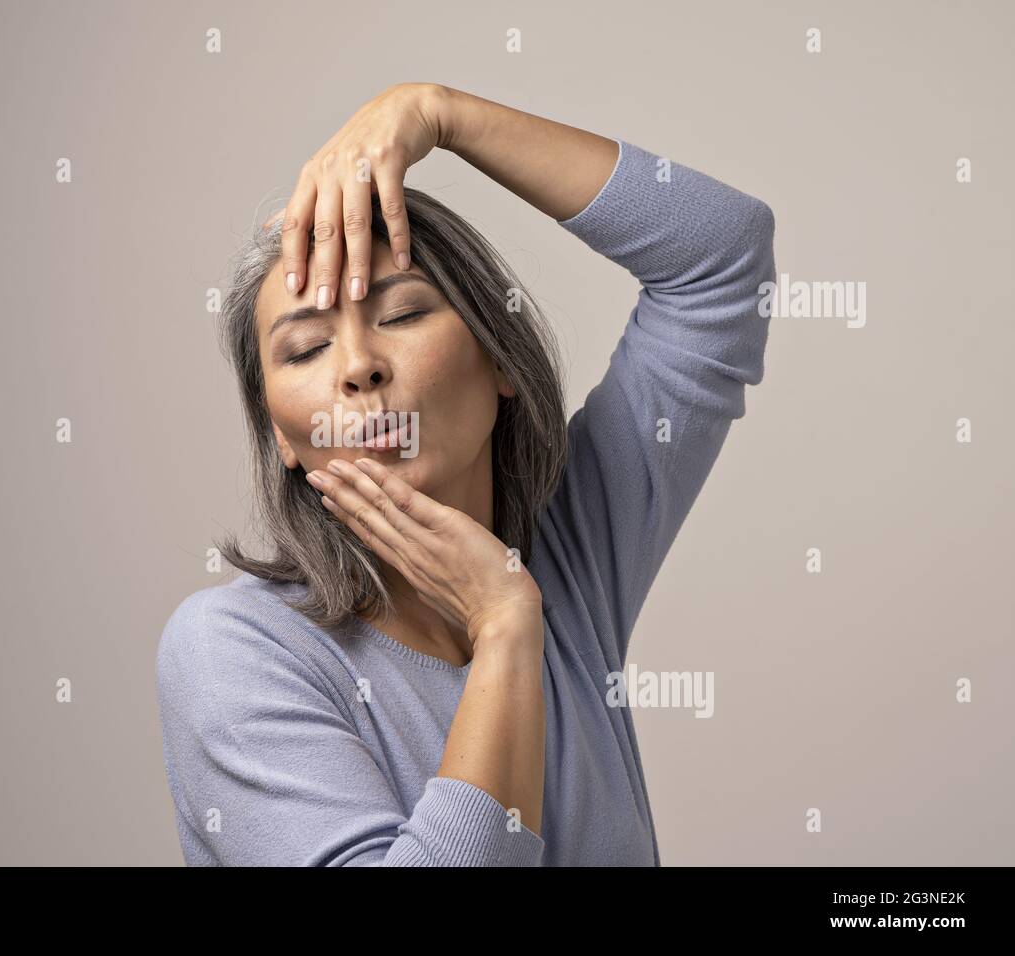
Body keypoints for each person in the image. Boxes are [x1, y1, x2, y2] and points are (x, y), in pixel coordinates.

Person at [156, 83, 776, 865]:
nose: (358, 368)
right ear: (283, 434)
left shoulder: (574, 559)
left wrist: (439, 113)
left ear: (499, 363)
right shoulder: (233, 650)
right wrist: (505, 630)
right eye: (306, 349)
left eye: (405, 313)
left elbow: (723, 255)